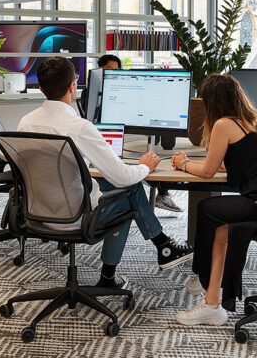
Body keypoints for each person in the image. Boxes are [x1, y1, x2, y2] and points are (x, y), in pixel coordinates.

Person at [18, 56, 193, 289]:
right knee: (130, 190)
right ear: (73, 86)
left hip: (38, 212)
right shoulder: (79, 127)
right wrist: (145, 166)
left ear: (40, 88)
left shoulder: (25, 123)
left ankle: (162, 247)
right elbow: (122, 176)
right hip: (76, 217)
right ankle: (113, 275)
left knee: (125, 186)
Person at [170, 73, 257, 326]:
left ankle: (205, 279)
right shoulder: (250, 121)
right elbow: (226, 165)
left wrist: (184, 163)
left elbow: (208, 171)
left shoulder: (223, 125)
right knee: (221, 226)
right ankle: (211, 298)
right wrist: (191, 164)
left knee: (208, 209)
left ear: (212, 101)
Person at [81, 53, 184, 214]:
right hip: (101, 137)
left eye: (116, 70)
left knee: (155, 156)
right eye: (108, 69)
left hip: (119, 133)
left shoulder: (122, 90)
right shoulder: (91, 92)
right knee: (129, 177)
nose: (112, 73)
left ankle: (162, 194)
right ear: (99, 69)